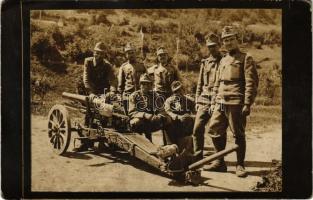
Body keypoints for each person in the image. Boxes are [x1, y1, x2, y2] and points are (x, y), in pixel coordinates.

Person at [206, 26, 259, 177]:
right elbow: (217, 82)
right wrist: (214, 101)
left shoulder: (245, 58)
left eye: (231, 39)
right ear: (222, 43)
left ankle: (240, 165)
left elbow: (251, 82)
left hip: (236, 101)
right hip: (221, 100)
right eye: (225, 40)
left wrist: (247, 103)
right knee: (215, 129)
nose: (228, 43)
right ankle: (219, 162)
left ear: (236, 40)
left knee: (238, 134)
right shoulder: (223, 59)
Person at [192, 33, 223, 161]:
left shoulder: (224, 61)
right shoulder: (205, 62)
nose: (212, 49)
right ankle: (198, 157)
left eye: (214, 46)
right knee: (197, 129)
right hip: (205, 98)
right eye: (209, 46)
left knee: (216, 130)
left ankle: (218, 160)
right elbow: (200, 83)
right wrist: (197, 100)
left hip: (218, 98)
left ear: (219, 46)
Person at [128, 73, 171, 142]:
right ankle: (136, 142)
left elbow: (161, 109)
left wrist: (160, 116)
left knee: (167, 119)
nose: (146, 86)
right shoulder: (134, 96)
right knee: (135, 122)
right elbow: (131, 113)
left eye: (148, 84)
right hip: (140, 121)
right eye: (143, 84)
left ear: (151, 85)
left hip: (151, 121)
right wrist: (144, 115)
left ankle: (168, 144)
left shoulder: (154, 95)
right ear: (140, 85)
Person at [164, 81, 195, 152]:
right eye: (175, 92)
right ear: (173, 92)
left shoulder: (188, 100)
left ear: (183, 90)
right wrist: (178, 117)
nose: (178, 93)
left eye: (180, 90)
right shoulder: (169, 101)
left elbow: (195, 112)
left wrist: (190, 116)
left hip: (185, 124)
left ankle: (188, 146)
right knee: (166, 120)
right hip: (174, 123)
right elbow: (168, 111)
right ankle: (170, 144)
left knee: (189, 120)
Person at [118, 43, 147, 114]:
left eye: (132, 52)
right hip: (128, 94)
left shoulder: (141, 66)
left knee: (141, 114)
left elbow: (147, 80)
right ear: (126, 55)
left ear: (135, 53)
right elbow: (120, 84)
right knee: (128, 115)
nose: (130, 55)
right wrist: (121, 96)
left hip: (140, 95)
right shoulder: (124, 67)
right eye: (128, 53)